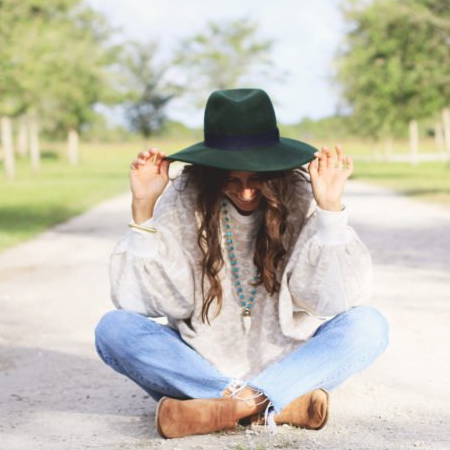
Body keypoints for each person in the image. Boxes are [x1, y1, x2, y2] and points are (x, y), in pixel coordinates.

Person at [94, 88, 389, 439]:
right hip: (198, 365)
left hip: (292, 365)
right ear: (212, 175)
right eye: (232, 180)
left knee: (369, 324)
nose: (246, 192)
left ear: (275, 171)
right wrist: (143, 207)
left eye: (257, 179)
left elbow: (330, 299)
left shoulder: (302, 197)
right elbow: (152, 302)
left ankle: (229, 407)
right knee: (114, 329)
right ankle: (274, 406)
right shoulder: (184, 199)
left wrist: (329, 211)